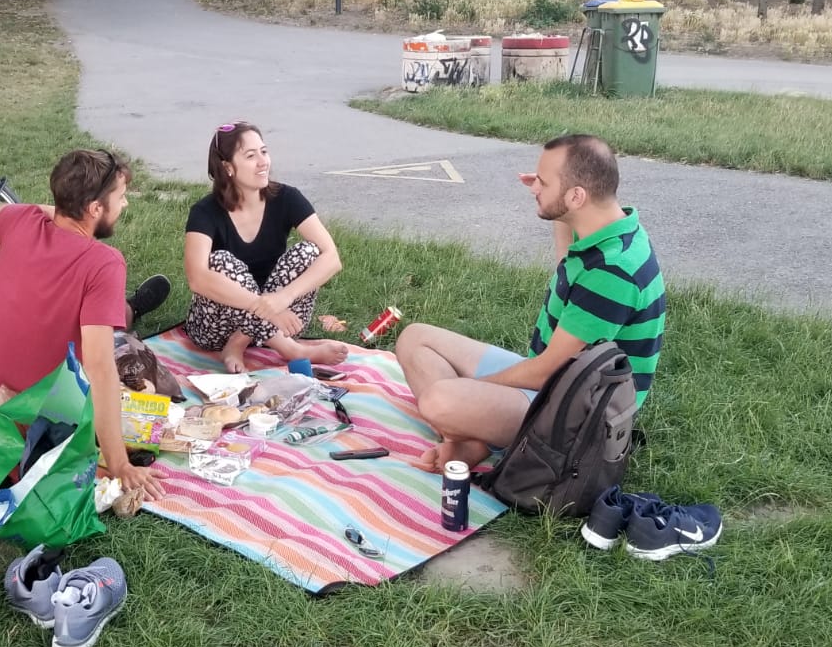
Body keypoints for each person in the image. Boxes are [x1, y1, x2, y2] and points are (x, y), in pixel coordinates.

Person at [396, 134, 665, 473]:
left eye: (543, 182)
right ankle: (478, 435)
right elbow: (567, 260)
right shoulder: (605, 226)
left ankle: (481, 435)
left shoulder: (613, 272)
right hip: (554, 382)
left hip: (577, 416)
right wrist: (553, 195)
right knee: (414, 338)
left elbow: (548, 371)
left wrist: (471, 388)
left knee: (439, 399)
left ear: (576, 196)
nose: (534, 187)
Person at [0, 149, 172, 498]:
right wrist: (120, 464)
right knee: (116, 350)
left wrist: (55, 211)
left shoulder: (21, 218)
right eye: (121, 197)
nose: (125, 204)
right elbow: (99, 367)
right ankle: (127, 311)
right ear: (94, 208)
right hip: (49, 407)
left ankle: (122, 310)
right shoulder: (104, 262)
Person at [183, 121, 347, 373]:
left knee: (309, 252)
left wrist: (283, 298)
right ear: (227, 167)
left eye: (264, 151)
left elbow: (331, 257)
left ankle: (239, 342)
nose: (263, 162)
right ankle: (293, 350)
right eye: (251, 156)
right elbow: (197, 278)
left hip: (283, 319)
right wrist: (265, 309)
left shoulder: (287, 198)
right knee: (220, 262)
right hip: (216, 329)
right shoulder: (205, 212)